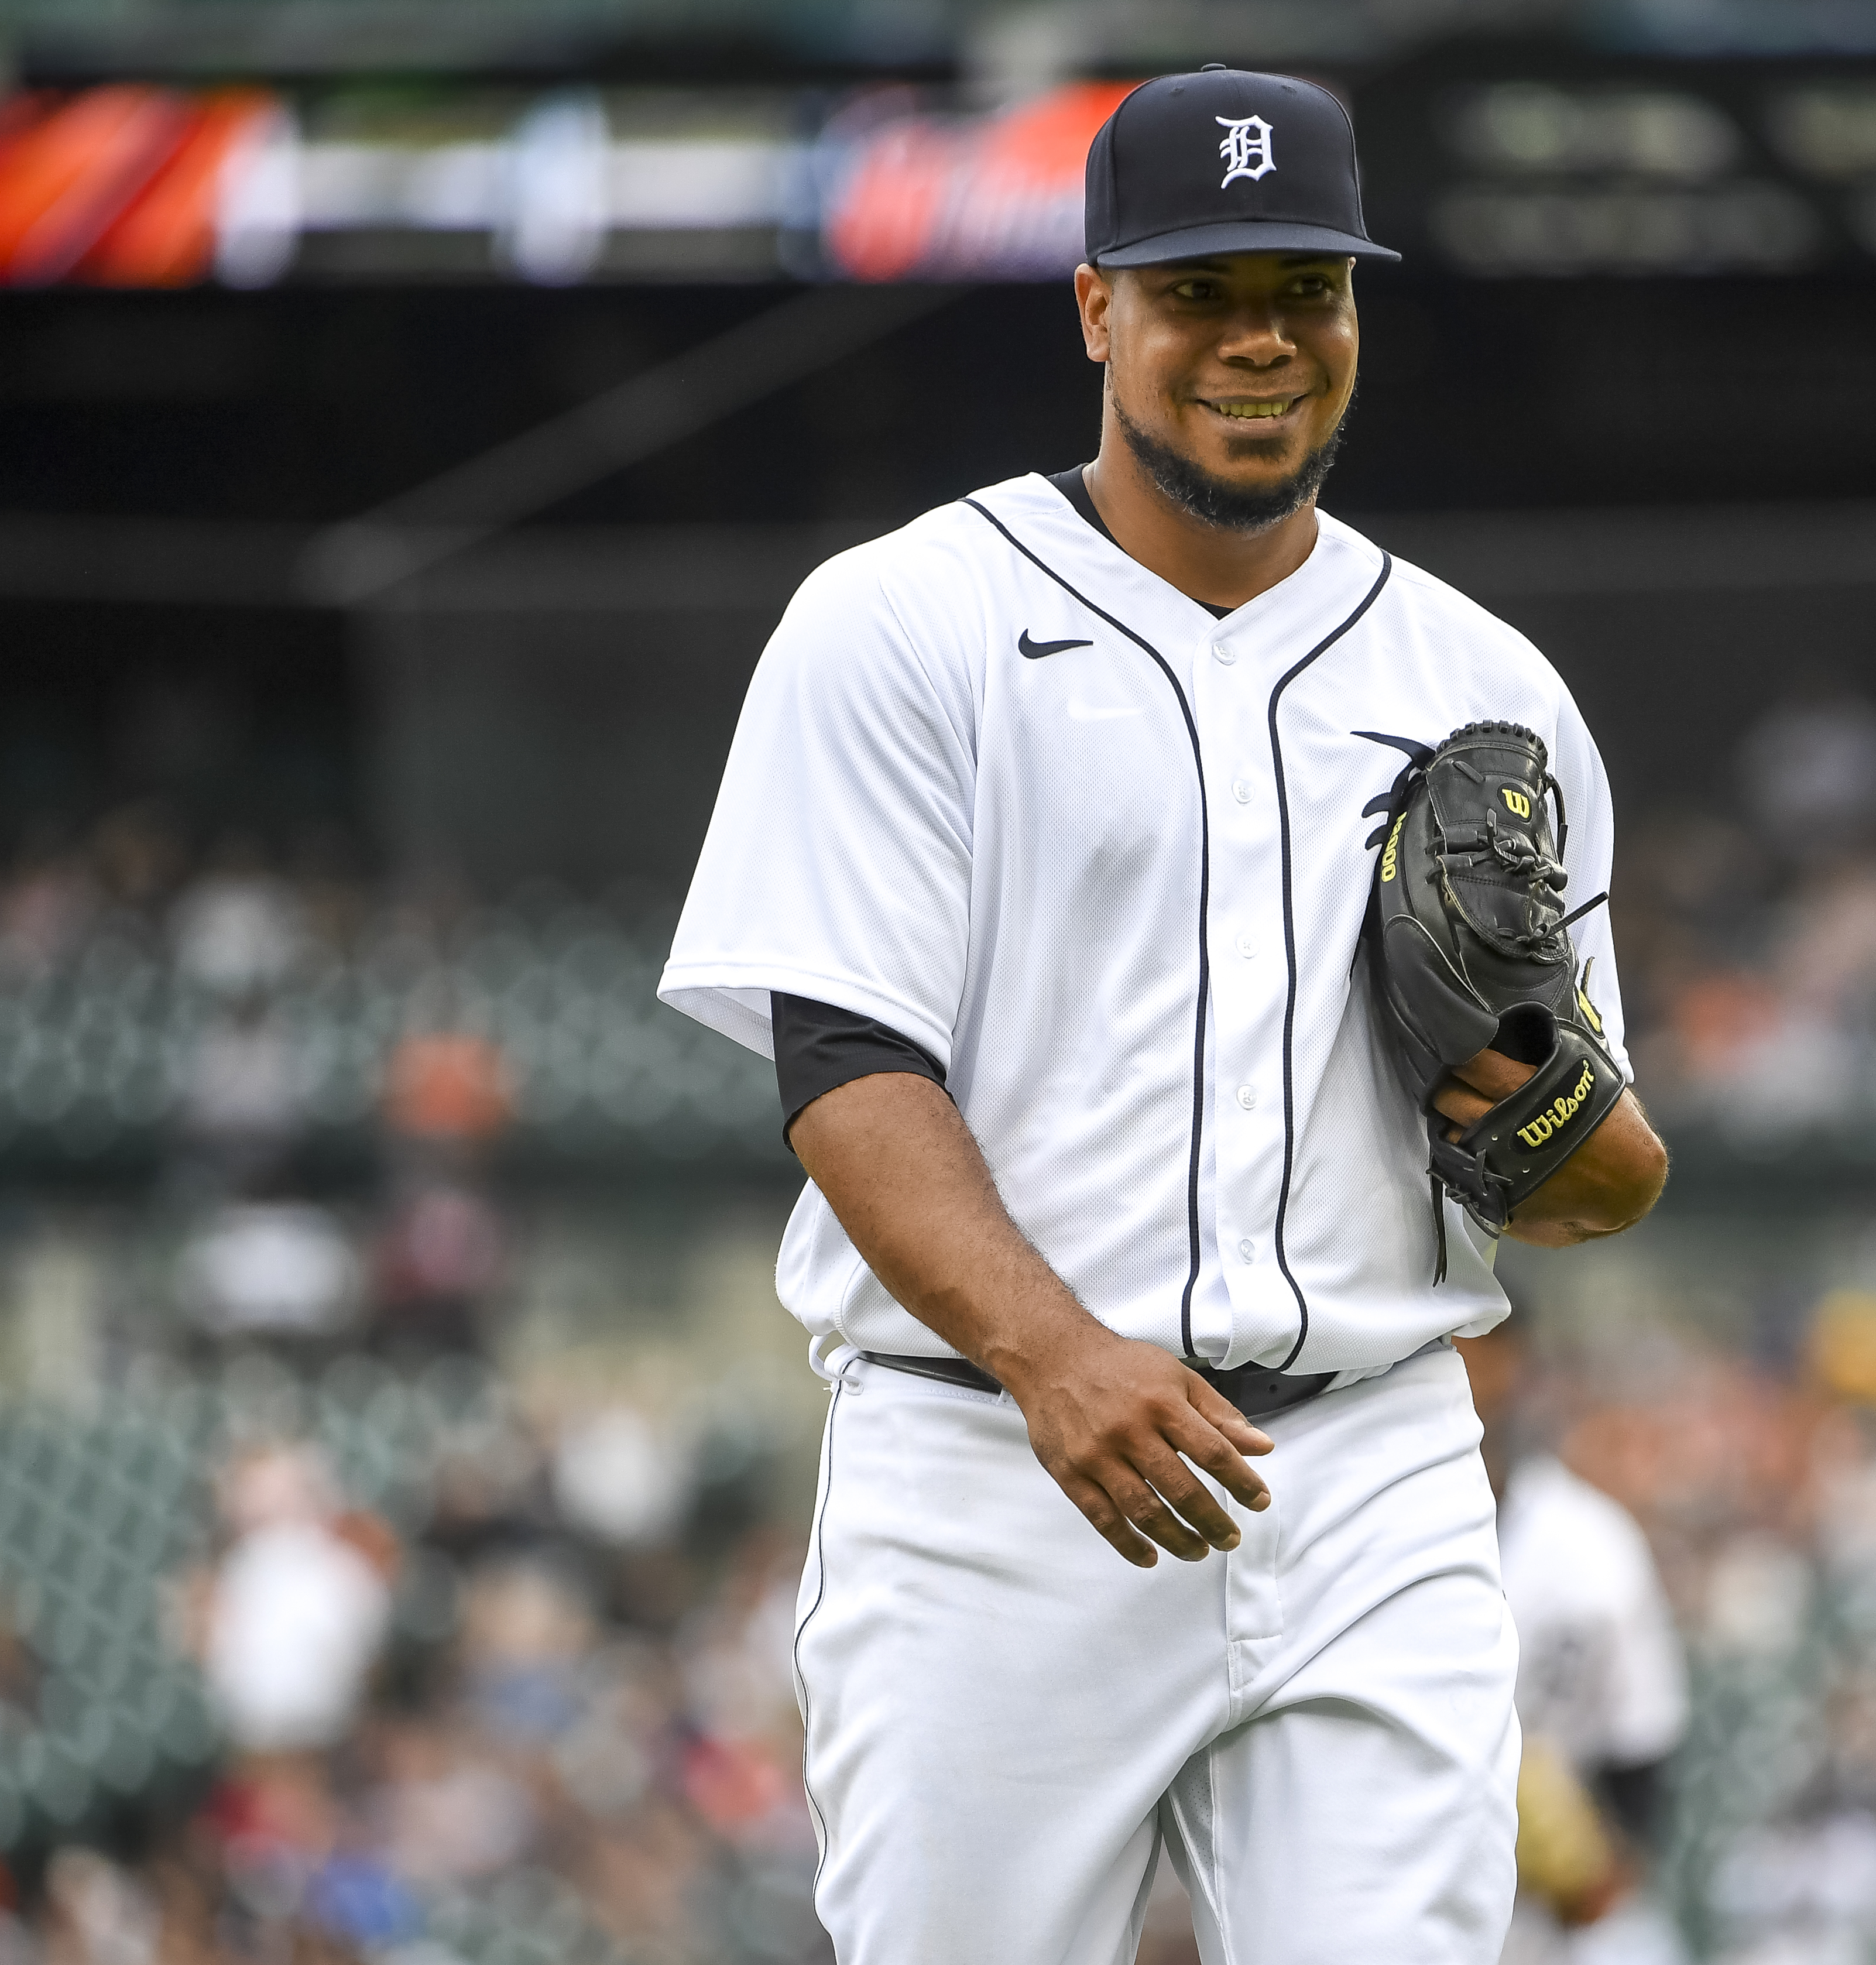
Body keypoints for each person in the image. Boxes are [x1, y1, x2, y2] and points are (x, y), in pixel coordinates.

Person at [660, 66, 1669, 1963]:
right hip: (989, 1470)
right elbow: (844, 1068)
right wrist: (1049, 1353)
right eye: (1204, 288)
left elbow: (1594, 1173)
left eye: (1309, 286)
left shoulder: (1485, 682)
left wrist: (1527, 1102)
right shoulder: (903, 623)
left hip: (1369, 1470)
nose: (1260, 337)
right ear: (1096, 306)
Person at [1458, 1327, 1689, 1965]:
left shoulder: (1593, 1545)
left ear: (1512, 1364)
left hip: (1541, 1921)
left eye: (1467, 1345)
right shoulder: (1351, 1526)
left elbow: (1642, 1751)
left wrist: (1599, 1866)